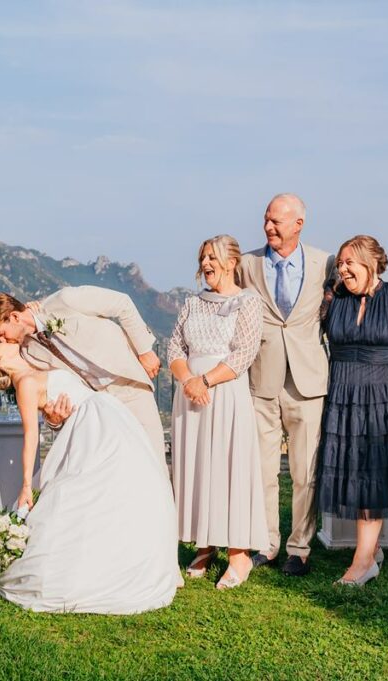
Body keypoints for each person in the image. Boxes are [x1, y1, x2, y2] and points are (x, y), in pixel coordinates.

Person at [0, 342, 179, 614]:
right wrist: (25, 486)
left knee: (123, 487)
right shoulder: (24, 384)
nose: (3, 342)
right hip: (91, 427)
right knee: (89, 492)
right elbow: (31, 436)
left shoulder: (33, 365)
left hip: (105, 416)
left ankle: (124, 559)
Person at [238, 193, 335, 576]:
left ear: (299, 224)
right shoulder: (247, 264)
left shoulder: (325, 262)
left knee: (304, 471)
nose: (268, 227)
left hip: (308, 380)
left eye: (277, 221)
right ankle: (267, 543)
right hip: (261, 378)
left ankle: (300, 547)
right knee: (262, 469)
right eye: (266, 220)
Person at [168, 235, 268, 589]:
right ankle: (204, 543)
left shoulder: (248, 302)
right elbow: (175, 346)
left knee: (228, 467)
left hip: (223, 393)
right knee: (196, 467)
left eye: (212, 257)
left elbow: (243, 354)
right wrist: (187, 381)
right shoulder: (192, 303)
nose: (205, 264)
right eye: (202, 258)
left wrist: (205, 381)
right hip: (190, 395)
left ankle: (239, 554)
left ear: (231, 262)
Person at [0, 287, 165, 464]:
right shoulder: (27, 352)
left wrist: (145, 351)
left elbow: (122, 303)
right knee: (121, 469)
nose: (2, 340)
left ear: (15, 316)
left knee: (153, 462)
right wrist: (53, 421)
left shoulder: (65, 300)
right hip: (98, 408)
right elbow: (46, 392)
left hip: (130, 387)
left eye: (1, 333)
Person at [316, 236, 388, 586]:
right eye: (340, 263)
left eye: (350, 262)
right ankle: (372, 550)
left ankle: (362, 562)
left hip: (383, 394)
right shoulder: (333, 298)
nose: (343, 268)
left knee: (373, 472)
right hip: (342, 392)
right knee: (351, 470)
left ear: (372, 262)